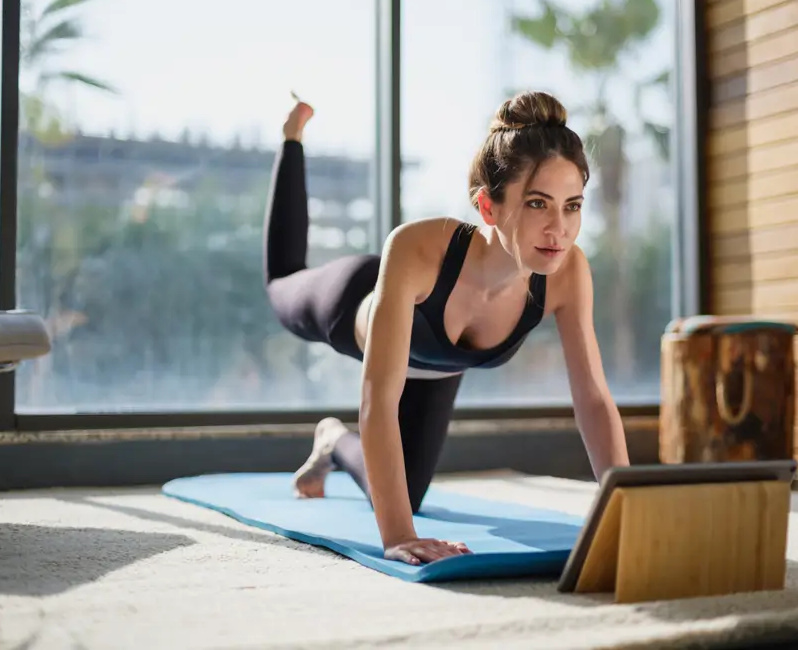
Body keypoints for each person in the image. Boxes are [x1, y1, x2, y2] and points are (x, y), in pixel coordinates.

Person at [263, 89, 631, 567]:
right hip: (353, 303)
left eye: (573, 206)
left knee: (407, 494)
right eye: (538, 204)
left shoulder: (567, 272)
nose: (559, 228)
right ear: (488, 207)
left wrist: (625, 508)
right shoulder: (417, 246)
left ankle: (333, 440)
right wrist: (399, 536)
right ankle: (292, 137)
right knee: (281, 283)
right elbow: (379, 398)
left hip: (438, 365)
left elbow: (593, 399)